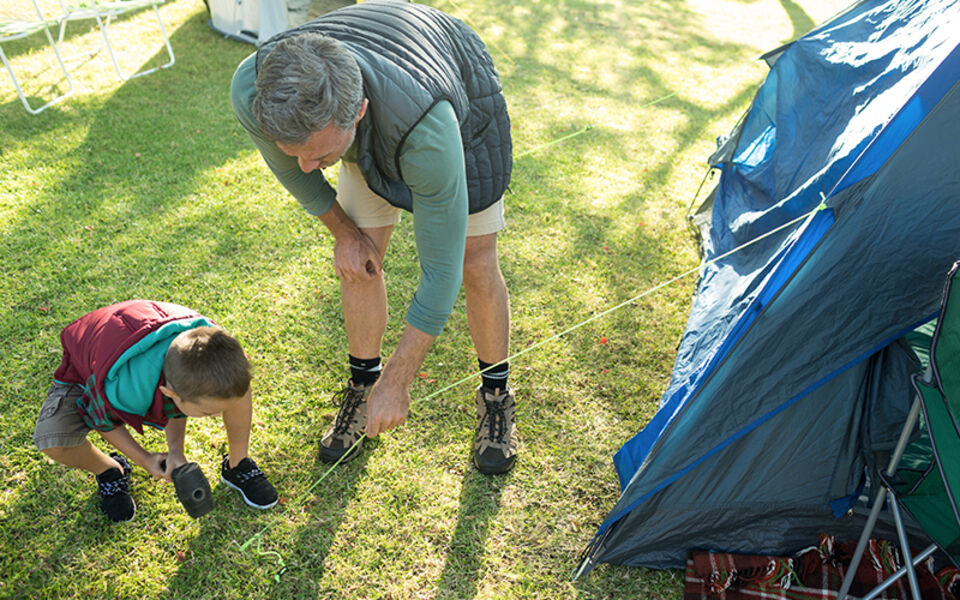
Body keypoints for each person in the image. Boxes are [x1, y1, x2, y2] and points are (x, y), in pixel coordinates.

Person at [230, 0, 518, 474]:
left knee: (474, 261)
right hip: (370, 101)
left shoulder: (429, 129)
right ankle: (363, 385)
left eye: (316, 154)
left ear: (358, 112)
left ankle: (496, 395)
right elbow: (296, 171)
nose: (305, 166)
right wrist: (343, 232)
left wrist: (401, 377)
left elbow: (439, 270)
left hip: (449, 97)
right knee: (358, 259)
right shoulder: (255, 88)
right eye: (295, 151)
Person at [33, 300, 278, 523]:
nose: (215, 417)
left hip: (146, 336)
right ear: (170, 393)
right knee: (52, 440)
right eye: (207, 413)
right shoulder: (121, 387)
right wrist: (144, 459)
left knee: (233, 389)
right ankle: (110, 470)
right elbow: (101, 419)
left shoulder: (213, 347)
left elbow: (176, 405)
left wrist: (175, 451)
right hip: (89, 367)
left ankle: (238, 465)